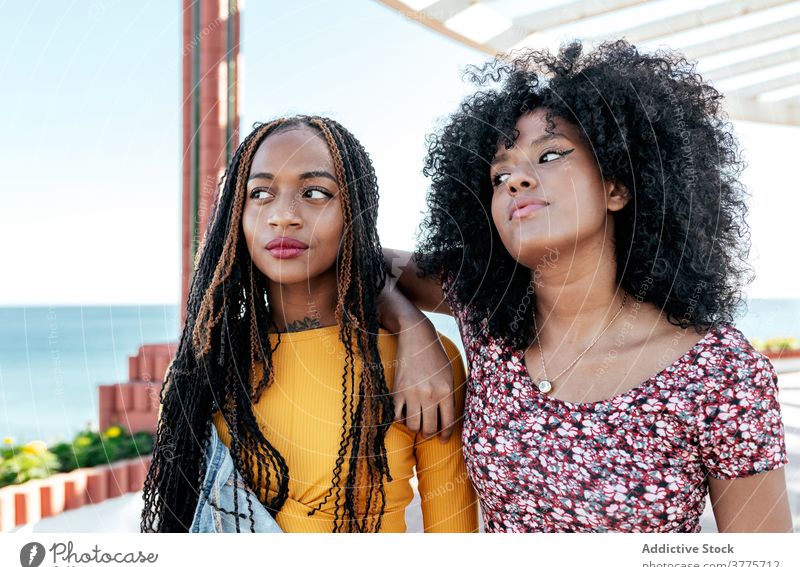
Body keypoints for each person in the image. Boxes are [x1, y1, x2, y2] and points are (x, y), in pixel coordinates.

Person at [380, 40, 792, 532]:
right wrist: (411, 327)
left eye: (550, 155)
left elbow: (758, 563)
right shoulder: (487, 317)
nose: (516, 181)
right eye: (499, 175)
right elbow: (357, 263)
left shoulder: (720, 374)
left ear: (616, 188)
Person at [140, 115, 478, 533]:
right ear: (236, 218)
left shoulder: (422, 364)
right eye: (260, 193)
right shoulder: (204, 369)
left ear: (352, 213)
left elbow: (452, 536)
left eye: (316, 193)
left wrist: (408, 323)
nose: (283, 216)